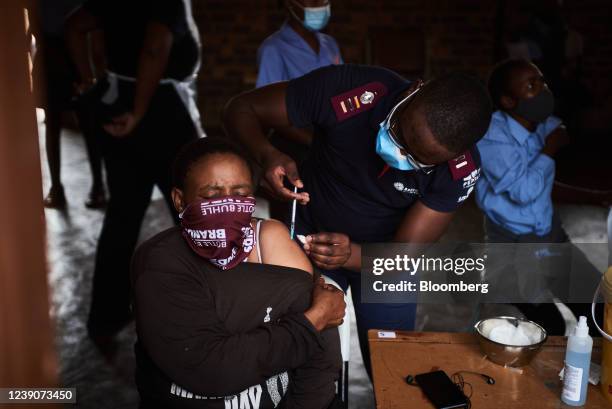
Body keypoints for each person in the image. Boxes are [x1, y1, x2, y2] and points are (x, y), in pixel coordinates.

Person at [223, 63, 493, 374]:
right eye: (399, 131)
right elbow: (241, 109)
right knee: (306, 355)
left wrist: (350, 254)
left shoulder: (460, 170)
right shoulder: (352, 90)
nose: (398, 152)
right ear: (414, 90)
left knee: (392, 367)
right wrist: (266, 154)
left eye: (417, 159)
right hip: (310, 240)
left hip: (385, 264)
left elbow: (403, 255)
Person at [131, 137, 345, 408]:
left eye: (240, 194)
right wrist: (311, 321)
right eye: (211, 195)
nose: (228, 205)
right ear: (179, 199)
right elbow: (210, 368)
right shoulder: (161, 263)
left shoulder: (267, 240)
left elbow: (319, 355)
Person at [65, 0, 204, 347]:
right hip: (158, 110)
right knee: (194, 212)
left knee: (123, 213)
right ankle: (208, 309)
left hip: (120, 98)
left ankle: (106, 314)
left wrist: (89, 81)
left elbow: (74, 27)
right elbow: (155, 47)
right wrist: (139, 113)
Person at [476, 58, 600, 335]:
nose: (543, 89)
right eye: (532, 86)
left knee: (599, 309)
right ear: (508, 101)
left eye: (542, 81)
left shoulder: (539, 123)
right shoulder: (492, 137)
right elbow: (524, 192)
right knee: (548, 327)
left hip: (551, 235)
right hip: (513, 247)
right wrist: (549, 150)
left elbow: (559, 129)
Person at [31, 0, 107, 209]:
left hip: (56, 56)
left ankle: (58, 190)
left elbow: (33, 30)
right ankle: (97, 188)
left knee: (55, 128)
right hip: (72, 57)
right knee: (88, 126)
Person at [256, 0, 342, 88]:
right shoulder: (273, 50)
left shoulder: (330, 44)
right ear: (289, 3)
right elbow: (270, 99)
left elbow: (343, 89)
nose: (319, 4)